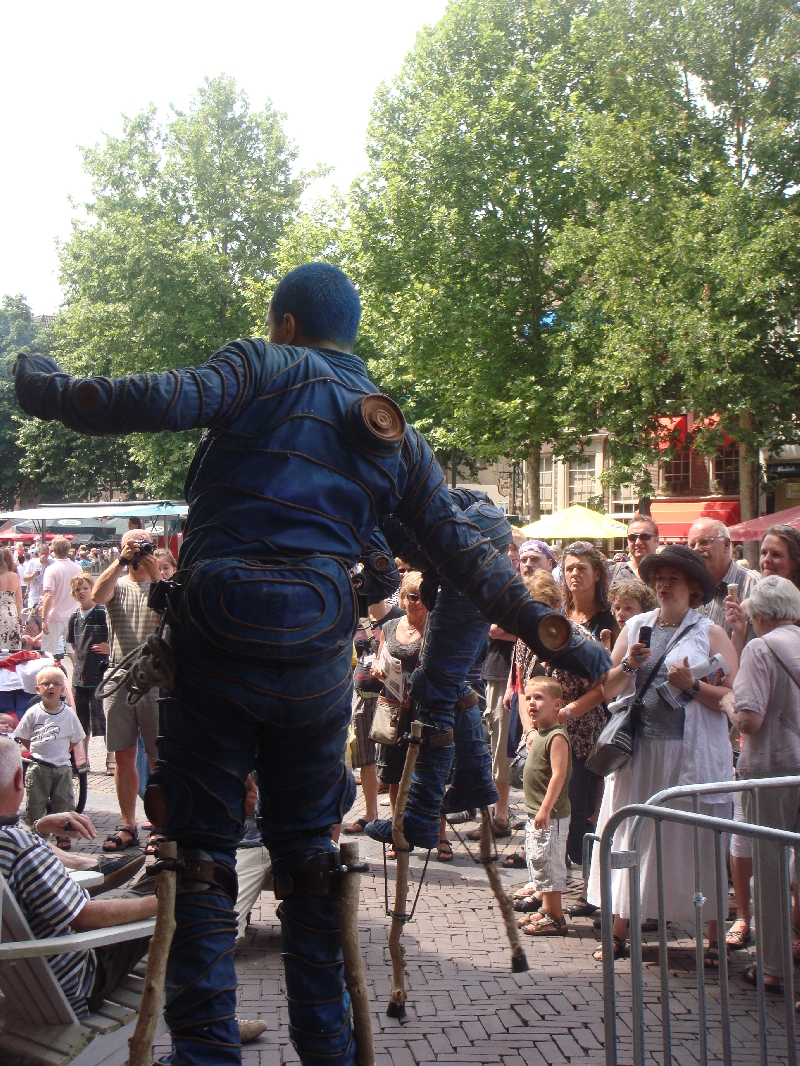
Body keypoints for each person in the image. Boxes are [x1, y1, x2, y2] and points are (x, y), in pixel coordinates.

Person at [14, 261, 609, 1066]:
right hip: (315, 663)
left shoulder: (260, 367)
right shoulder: (392, 430)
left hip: (214, 650)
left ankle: (206, 1052)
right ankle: (325, 1047)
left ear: (285, 323)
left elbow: (143, 399)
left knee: (200, 864)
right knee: (309, 863)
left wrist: (52, 388)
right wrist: (549, 628)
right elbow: (466, 555)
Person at [588, 544, 738, 963]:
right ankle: (618, 930)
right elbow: (607, 689)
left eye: (674, 578)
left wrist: (692, 686)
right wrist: (629, 667)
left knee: (697, 840)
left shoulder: (710, 632)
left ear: (693, 587)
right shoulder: (636, 626)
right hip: (639, 754)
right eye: (660, 578)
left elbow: (733, 693)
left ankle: (712, 937)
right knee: (630, 834)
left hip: (690, 758)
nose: (665, 584)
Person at [0, 737, 157, 1016]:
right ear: (18, 781)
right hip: (71, 986)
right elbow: (84, 918)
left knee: (149, 885)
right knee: (175, 885)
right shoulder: (19, 848)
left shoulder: (14, 844)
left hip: (16, 982)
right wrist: (165, 904)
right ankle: (206, 1016)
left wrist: (37, 827)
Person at [720, 576, 800, 991]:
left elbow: (749, 718)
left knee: (769, 867)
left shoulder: (760, 647)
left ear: (760, 615)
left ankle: (772, 966)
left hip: (773, 769)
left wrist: (726, 700)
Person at [90, 530, 160, 853]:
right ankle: (127, 824)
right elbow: (96, 595)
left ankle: (163, 825)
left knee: (160, 757)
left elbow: (173, 613)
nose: (137, 552)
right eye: (131, 546)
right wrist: (120, 561)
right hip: (119, 676)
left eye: (143, 545)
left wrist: (156, 570)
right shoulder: (116, 585)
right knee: (123, 755)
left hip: (156, 677)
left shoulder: (162, 587)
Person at [517, 676, 572, 937]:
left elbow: (558, 775)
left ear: (557, 704)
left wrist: (546, 808)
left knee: (550, 864)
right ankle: (547, 909)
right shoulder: (539, 733)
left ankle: (557, 917)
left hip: (550, 815)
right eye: (528, 698)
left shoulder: (557, 736)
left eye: (539, 698)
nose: (531, 703)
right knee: (539, 861)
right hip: (536, 812)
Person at [342, 598, 403, 834]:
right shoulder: (358, 619)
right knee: (365, 756)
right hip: (361, 694)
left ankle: (398, 820)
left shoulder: (396, 616)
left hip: (388, 696)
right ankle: (370, 814)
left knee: (392, 754)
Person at [13, 667, 86, 849]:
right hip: (39, 766)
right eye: (46, 684)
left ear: (63, 689)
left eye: (56, 684)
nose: (51, 687)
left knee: (63, 802)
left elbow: (76, 737)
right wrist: (34, 749)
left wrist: (63, 751)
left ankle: (63, 835)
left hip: (61, 767)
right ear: (38, 689)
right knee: (36, 804)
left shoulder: (68, 713)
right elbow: (22, 734)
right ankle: (36, 836)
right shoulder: (33, 713)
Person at [687, 518, 759, 636]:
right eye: (692, 545)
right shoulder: (689, 587)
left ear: (726, 545)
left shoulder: (752, 583)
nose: (696, 549)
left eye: (704, 542)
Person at [67, 575, 110, 748]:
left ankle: (110, 759)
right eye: (78, 590)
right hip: (80, 677)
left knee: (104, 721)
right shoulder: (74, 617)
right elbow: (74, 644)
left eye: (85, 588)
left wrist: (109, 647)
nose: (82, 592)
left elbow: (114, 637)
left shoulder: (102, 613)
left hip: (99, 676)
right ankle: (83, 759)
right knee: (80, 723)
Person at [562, 541, 619, 646]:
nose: (574, 573)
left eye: (581, 568)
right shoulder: (558, 615)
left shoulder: (612, 617)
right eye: (569, 569)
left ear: (597, 574)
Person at [39, 538, 83, 658]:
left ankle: (49, 676)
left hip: (55, 615)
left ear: (54, 550)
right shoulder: (77, 568)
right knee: (73, 651)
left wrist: (44, 618)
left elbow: (49, 595)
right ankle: (78, 675)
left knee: (48, 653)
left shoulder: (52, 569)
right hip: (73, 613)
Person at [609, 515, 660, 582]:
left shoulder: (667, 574)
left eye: (644, 536)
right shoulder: (611, 573)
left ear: (656, 541)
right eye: (632, 537)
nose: (637, 542)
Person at [0, 548, 23, 651]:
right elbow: (19, 600)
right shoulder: (15, 576)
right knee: (11, 649)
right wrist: (19, 615)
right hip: (12, 614)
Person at [23, 543, 51, 613]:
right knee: (33, 619)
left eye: (46, 553)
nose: (44, 555)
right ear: (38, 553)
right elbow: (24, 578)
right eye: (42, 553)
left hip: (47, 596)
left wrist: (46, 564)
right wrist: (32, 575)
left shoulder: (52, 562)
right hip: (34, 597)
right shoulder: (32, 562)